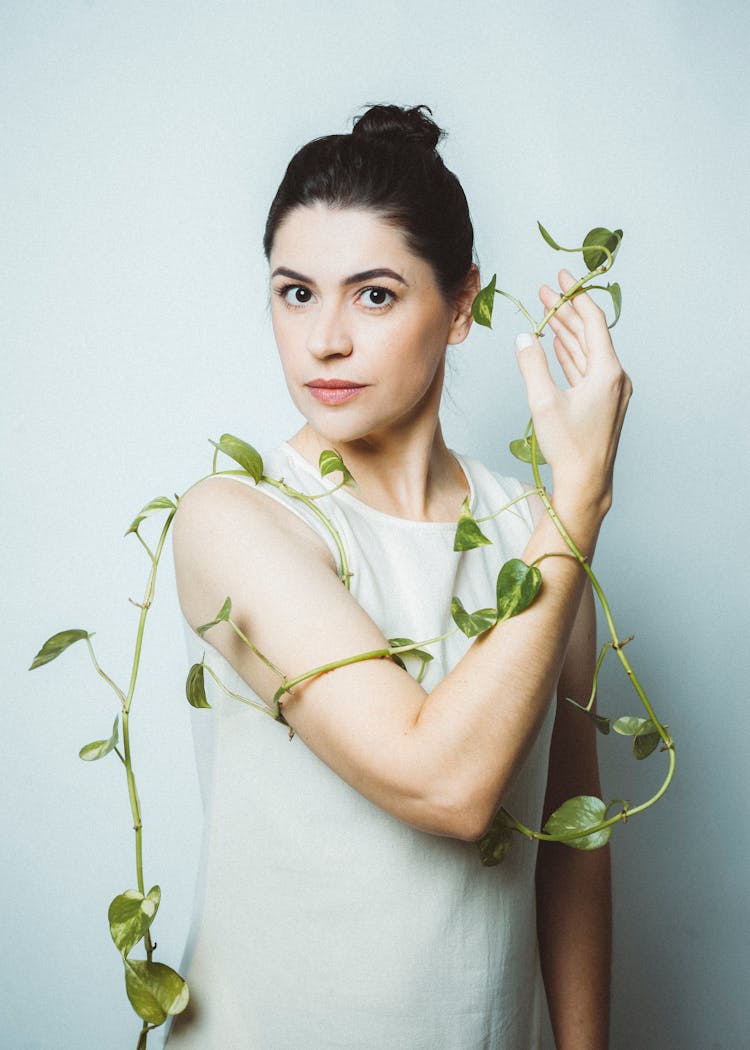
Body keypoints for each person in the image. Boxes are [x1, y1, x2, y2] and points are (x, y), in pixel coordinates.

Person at [168, 103, 630, 1049]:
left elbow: (570, 841)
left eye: (373, 294)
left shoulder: (530, 532)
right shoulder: (236, 518)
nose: (325, 340)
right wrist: (581, 504)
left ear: (461, 306)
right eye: (296, 293)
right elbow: (446, 785)